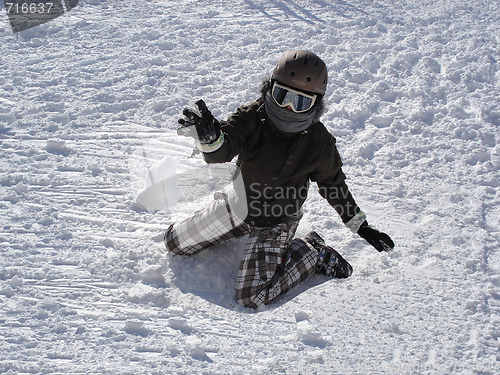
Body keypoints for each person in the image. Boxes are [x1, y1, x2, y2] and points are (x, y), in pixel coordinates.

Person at [164, 50, 394, 309]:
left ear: (315, 104)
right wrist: (208, 138)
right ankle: (248, 232)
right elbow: (222, 150)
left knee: (251, 297)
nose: (288, 108)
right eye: (283, 96)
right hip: (239, 204)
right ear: (270, 89)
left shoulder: (318, 142)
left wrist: (360, 225)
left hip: (277, 220)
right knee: (173, 242)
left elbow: (334, 185)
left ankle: (313, 253)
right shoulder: (253, 116)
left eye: (301, 102)